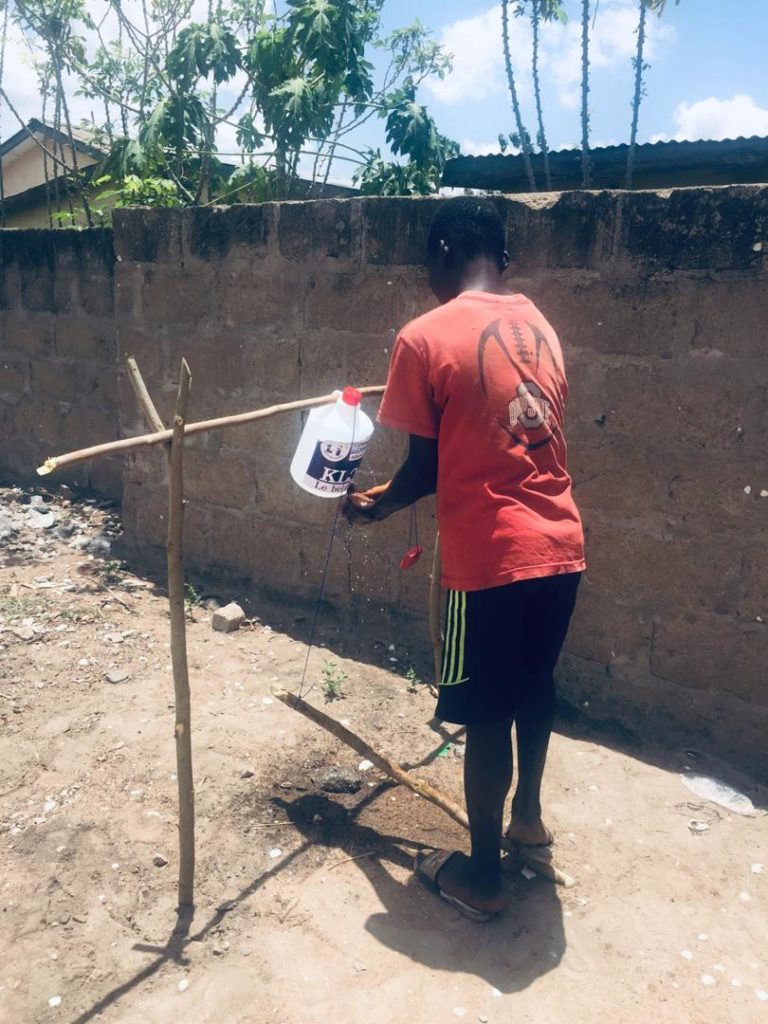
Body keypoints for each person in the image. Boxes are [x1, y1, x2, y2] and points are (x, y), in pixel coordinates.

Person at [344, 196, 585, 922]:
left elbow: (425, 467)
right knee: (534, 689)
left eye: (427, 262)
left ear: (443, 253)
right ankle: (528, 822)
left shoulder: (424, 335)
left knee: (484, 713)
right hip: (561, 545)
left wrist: (374, 504)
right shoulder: (539, 326)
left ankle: (482, 877)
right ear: (502, 260)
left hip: (488, 560)